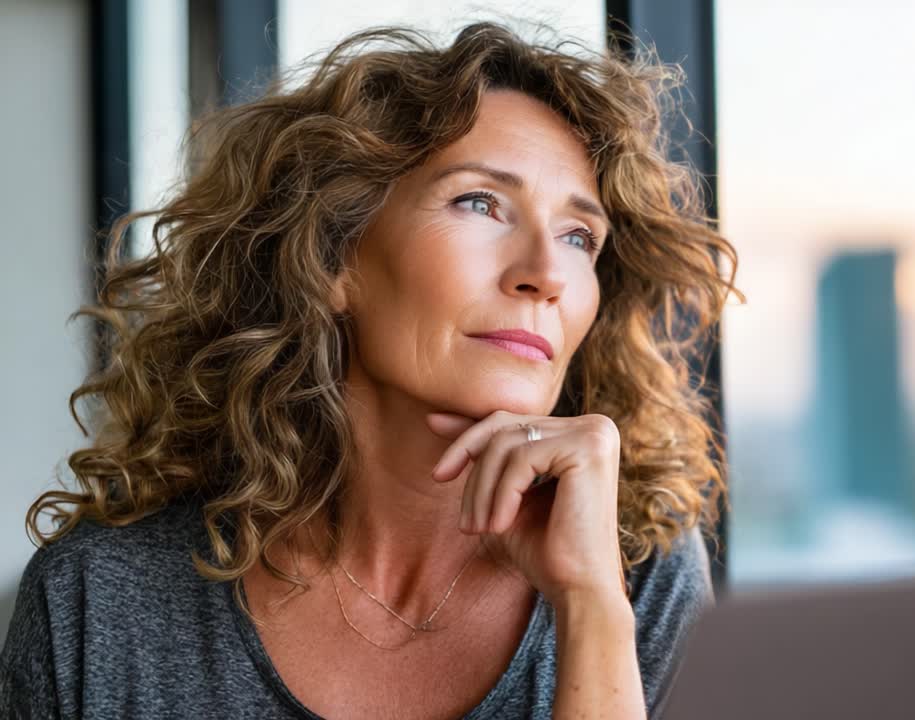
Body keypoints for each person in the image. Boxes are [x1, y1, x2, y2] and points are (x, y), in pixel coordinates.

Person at [0, 21, 740, 719]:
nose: (546, 272)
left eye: (580, 236)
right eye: (481, 203)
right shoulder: (98, 605)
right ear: (331, 258)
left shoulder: (637, 581)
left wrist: (589, 608)